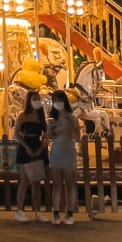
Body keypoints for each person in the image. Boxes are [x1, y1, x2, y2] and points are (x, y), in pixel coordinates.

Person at [47, 89, 81, 225]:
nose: (57, 103)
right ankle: (56, 212)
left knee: (70, 183)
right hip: (56, 149)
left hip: (68, 149)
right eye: (54, 101)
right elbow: (50, 136)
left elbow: (77, 136)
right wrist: (50, 128)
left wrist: (73, 128)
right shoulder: (52, 118)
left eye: (59, 100)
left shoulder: (72, 117)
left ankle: (70, 212)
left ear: (64, 102)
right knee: (56, 183)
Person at [13, 105, 48, 223]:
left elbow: (46, 135)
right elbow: (16, 133)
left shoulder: (41, 117)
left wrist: (42, 147)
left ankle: (37, 212)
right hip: (24, 146)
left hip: (37, 145)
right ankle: (19, 211)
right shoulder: (22, 116)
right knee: (24, 180)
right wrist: (26, 146)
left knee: (36, 182)